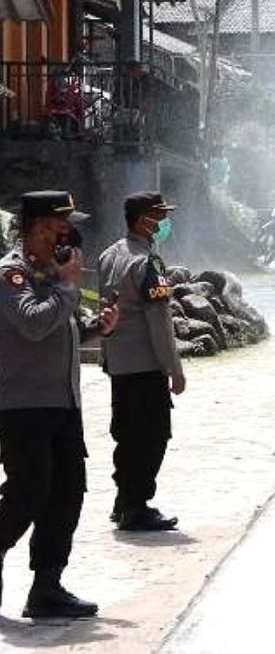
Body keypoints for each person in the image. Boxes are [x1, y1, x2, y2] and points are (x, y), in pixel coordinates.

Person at [0, 191, 116, 618]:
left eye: (66, 231)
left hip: (64, 403)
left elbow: (54, 334)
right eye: (56, 229)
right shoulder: (11, 275)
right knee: (27, 492)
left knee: (67, 492)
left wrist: (92, 328)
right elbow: (32, 324)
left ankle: (46, 586)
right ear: (34, 229)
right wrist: (68, 285)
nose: (64, 238)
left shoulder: (50, 274)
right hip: (24, 405)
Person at [98, 192, 186, 533]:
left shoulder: (109, 255)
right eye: (159, 216)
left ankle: (124, 501)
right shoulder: (148, 263)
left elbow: (107, 310)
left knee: (126, 434)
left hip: (119, 364)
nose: (164, 222)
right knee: (152, 437)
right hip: (146, 364)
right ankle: (136, 506)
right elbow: (159, 320)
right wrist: (174, 369)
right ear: (142, 220)